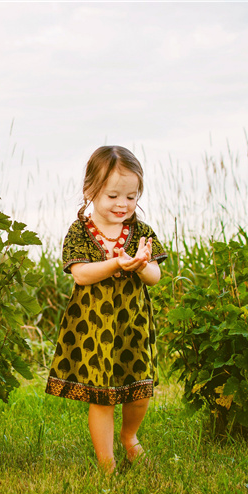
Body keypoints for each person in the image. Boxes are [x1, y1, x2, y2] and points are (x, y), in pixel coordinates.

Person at [45, 145, 167, 473]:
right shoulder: (80, 232)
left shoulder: (141, 233)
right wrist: (116, 262)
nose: (122, 204)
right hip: (94, 326)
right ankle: (107, 464)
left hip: (132, 324)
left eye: (131, 196)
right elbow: (81, 274)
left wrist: (140, 264)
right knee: (103, 397)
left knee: (139, 392)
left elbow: (154, 277)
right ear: (90, 190)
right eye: (113, 196)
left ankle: (129, 437)